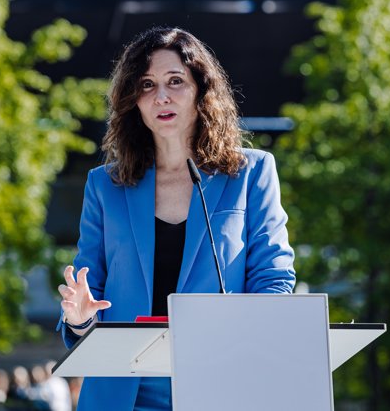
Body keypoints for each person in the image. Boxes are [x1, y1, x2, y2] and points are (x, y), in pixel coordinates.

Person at [55, 26, 296, 411]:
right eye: (147, 85)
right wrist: (80, 319)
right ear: (133, 100)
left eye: (175, 81)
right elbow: (87, 299)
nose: (161, 96)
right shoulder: (104, 186)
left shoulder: (251, 173)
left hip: (220, 387)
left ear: (202, 89)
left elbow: (274, 278)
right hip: (121, 396)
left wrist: (249, 338)